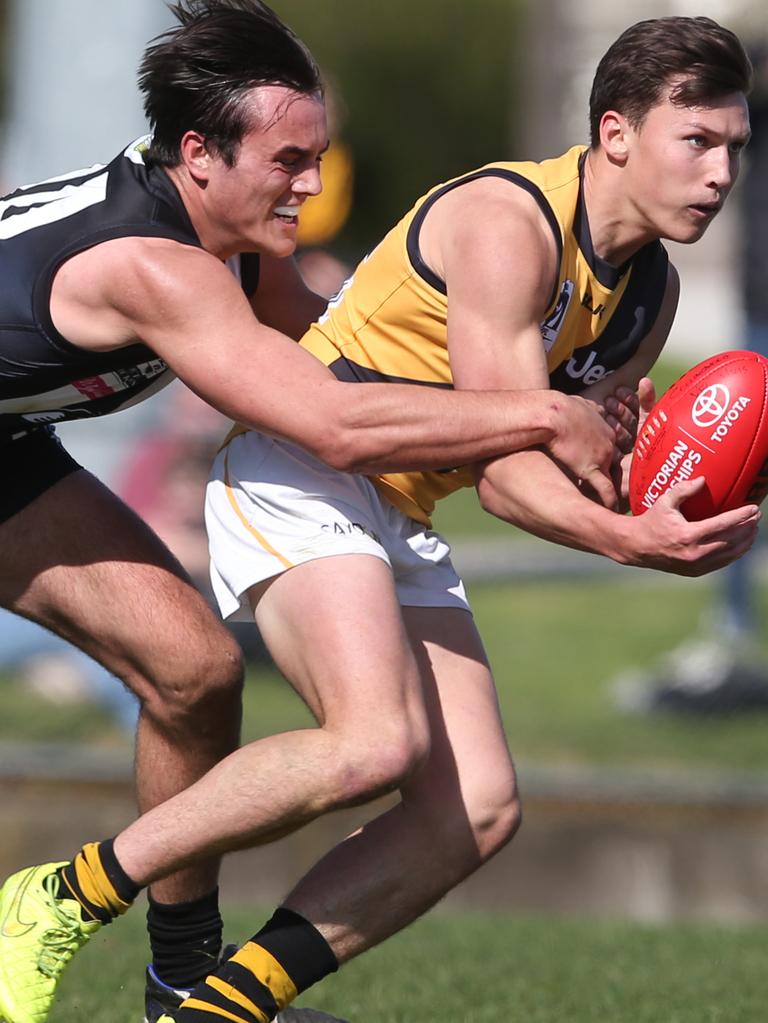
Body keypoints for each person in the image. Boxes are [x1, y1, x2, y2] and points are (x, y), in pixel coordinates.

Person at [0, 10, 758, 1023]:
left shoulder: (239, 243)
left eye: (317, 156)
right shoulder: (155, 264)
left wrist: (628, 466)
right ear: (196, 154)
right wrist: (552, 423)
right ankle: (62, 895)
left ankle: (198, 999)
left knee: (210, 680)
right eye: (289, 160)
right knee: (370, 741)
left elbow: (348, 346)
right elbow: (339, 420)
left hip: (25, 455)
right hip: (314, 478)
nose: (313, 184)